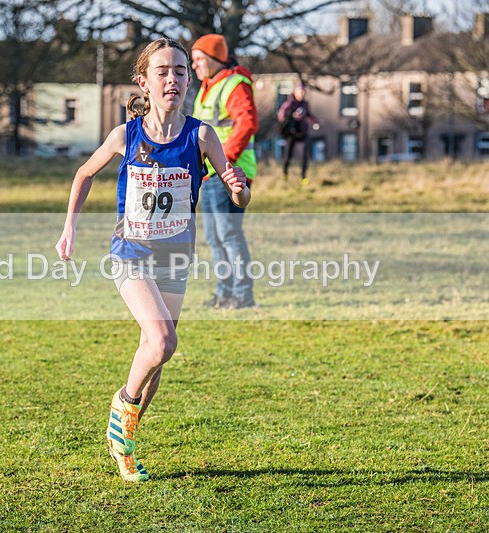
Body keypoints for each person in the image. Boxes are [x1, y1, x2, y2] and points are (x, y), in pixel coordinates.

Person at [55, 38, 249, 482]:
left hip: (176, 255)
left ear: (188, 79)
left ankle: (124, 444)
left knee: (155, 354)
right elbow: (84, 174)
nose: (172, 79)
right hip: (132, 253)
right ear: (144, 80)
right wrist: (69, 227)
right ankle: (121, 407)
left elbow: (239, 193)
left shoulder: (201, 135)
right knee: (162, 341)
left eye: (180, 71)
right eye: (162, 71)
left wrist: (239, 189)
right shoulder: (126, 135)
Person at [190, 34, 259, 310]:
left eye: (198, 60)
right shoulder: (209, 86)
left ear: (215, 58)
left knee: (228, 235)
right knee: (214, 237)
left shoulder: (234, 84)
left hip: (230, 172)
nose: (194, 66)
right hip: (211, 174)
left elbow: (248, 123)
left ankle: (242, 296)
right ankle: (225, 294)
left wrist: (224, 163)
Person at [277, 81, 320, 184]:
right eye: (300, 91)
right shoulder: (289, 104)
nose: (302, 93)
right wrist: (292, 116)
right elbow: (281, 116)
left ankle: (303, 177)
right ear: (295, 91)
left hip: (303, 132)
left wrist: (316, 121)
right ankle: (285, 174)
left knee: (304, 156)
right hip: (291, 133)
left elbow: (308, 115)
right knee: (288, 155)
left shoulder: (305, 104)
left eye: (303, 91)